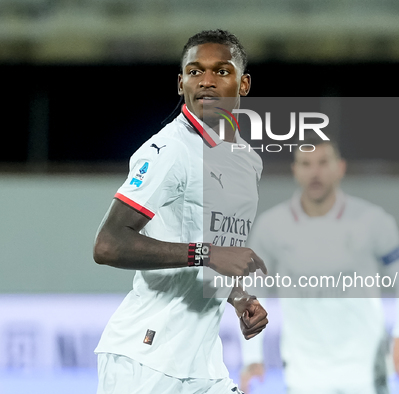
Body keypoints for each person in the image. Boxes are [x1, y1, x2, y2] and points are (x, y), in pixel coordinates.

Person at [93, 29, 269, 394]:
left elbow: (217, 250)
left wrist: (238, 297)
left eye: (221, 71)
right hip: (146, 358)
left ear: (244, 83)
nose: (206, 81)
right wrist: (205, 254)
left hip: (202, 363)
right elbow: (107, 245)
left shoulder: (247, 161)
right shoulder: (170, 150)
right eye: (194, 71)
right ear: (180, 83)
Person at [239, 138, 399, 394]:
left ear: (340, 168)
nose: (315, 172)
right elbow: (251, 292)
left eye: (323, 163)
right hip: (304, 376)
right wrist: (252, 356)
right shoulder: (272, 227)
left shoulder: (372, 221)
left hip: (366, 373)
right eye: (306, 164)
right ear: (295, 170)